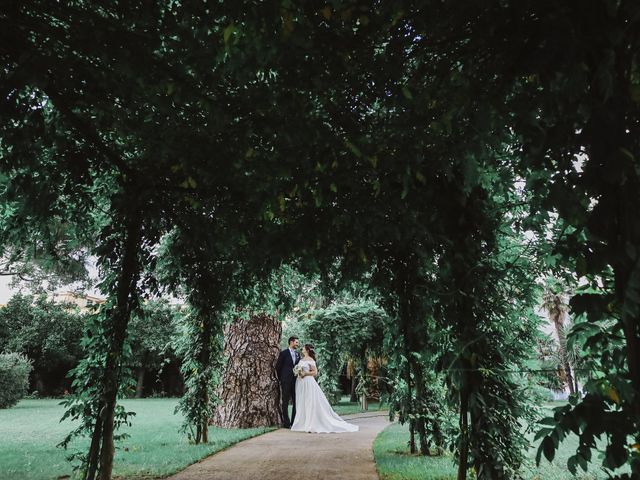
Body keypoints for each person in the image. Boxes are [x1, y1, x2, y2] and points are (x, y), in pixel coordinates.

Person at [291, 344, 359, 433]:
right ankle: (302, 423)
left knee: (309, 402)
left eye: (303, 348)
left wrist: (305, 373)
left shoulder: (311, 360)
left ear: (307, 350)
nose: (302, 349)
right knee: (302, 401)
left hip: (308, 382)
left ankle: (311, 424)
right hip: (300, 383)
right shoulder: (301, 359)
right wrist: (298, 372)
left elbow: (315, 372)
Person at [275, 336, 300, 428]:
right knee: (285, 401)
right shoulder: (283, 353)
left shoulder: (298, 354)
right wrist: (281, 378)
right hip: (285, 381)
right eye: (296, 342)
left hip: (295, 381)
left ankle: (294, 422)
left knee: (296, 402)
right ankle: (286, 423)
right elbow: (278, 367)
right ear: (291, 342)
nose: (297, 344)